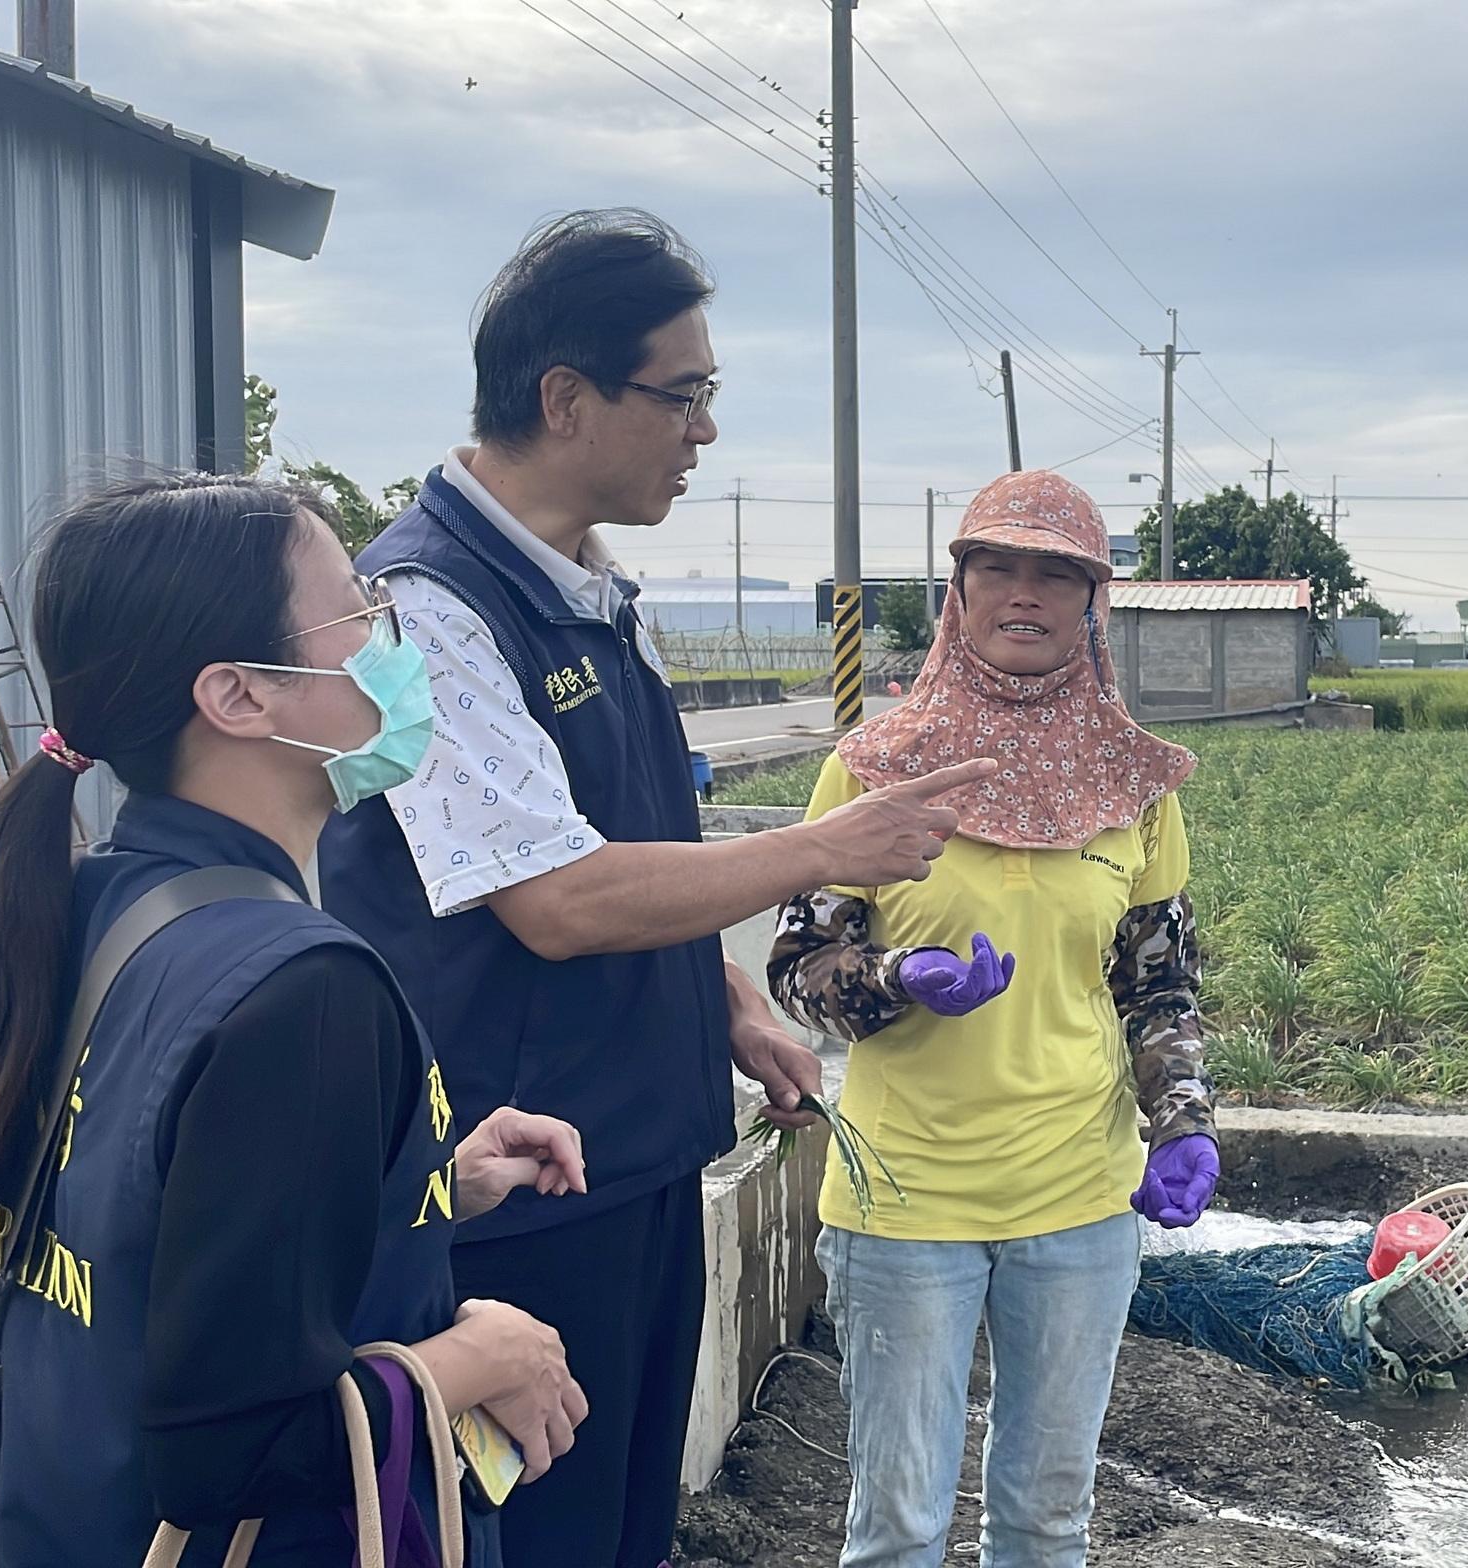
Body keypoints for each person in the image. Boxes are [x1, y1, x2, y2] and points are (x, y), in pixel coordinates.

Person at [319, 208, 997, 1567]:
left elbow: (622, 843)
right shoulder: (425, 611)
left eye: (710, 397)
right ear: (564, 399)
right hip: (507, 1196)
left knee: (625, 1530)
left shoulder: (591, 593)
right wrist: (823, 850)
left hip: (630, 1167)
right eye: (681, 397)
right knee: (523, 1537)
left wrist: (727, 1000)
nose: (704, 433)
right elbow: (557, 899)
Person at [0, 474, 591, 1568]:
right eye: (355, 612)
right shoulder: (302, 988)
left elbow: (142, 1205)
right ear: (238, 696)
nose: (391, 639)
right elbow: (228, 1448)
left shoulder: (106, 901)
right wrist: (482, 1355)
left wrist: (413, 1179)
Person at [767, 470, 1222, 1568]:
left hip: (1078, 1191)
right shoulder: (873, 769)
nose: (1026, 594)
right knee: (897, 1524)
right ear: (957, 596)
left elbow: (1157, 984)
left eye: (1055, 574)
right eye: (999, 569)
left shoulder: (1136, 787)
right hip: (906, 1199)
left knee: (1044, 1518)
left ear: (1090, 604)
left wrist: (1187, 1121)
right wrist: (893, 979)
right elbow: (797, 963)